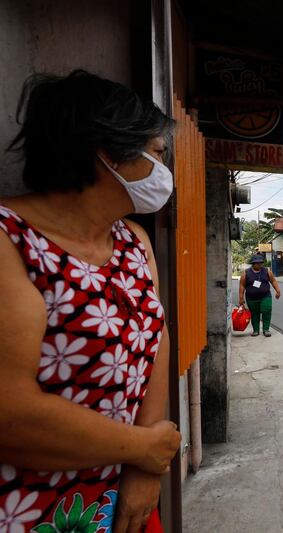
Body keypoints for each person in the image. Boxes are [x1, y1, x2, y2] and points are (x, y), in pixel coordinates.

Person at [0, 70, 181, 533]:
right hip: (32, 506)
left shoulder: (134, 241)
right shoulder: (10, 241)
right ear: (108, 154)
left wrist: (145, 468)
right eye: (157, 154)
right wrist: (142, 449)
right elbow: (10, 414)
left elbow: (156, 337)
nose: (164, 172)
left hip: (123, 492)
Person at [238, 254, 281, 337]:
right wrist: (241, 298)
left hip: (265, 296)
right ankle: (256, 330)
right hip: (251, 298)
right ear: (253, 264)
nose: (259, 264)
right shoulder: (246, 273)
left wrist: (278, 291)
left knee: (267, 311)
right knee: (254, 314)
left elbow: (273, 281)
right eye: (257, 263)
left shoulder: (267, 271)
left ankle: (266, 329)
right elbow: (242, 285)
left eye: (261, 263)